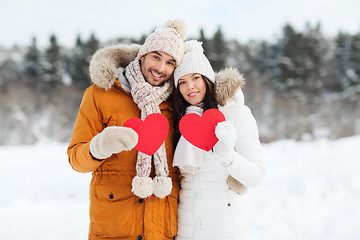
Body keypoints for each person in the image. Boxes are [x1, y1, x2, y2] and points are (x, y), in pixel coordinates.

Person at [67, 19, 187, 240]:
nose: (161, 68)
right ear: (143, 55)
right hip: (115, 227)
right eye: (156, 57)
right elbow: (76, 159)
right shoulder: (100, 94)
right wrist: (99, 147)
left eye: (170, 63)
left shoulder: (178, 103)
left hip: (162, 229)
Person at [172, 40, 265, 240]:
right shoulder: (180, 121)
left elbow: (257, 176)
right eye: (182, 82)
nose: (190, 87)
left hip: (225, 228)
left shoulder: (236, 114)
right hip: (186, 229)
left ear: (207, 78)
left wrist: (228, 156)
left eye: (195, 78)